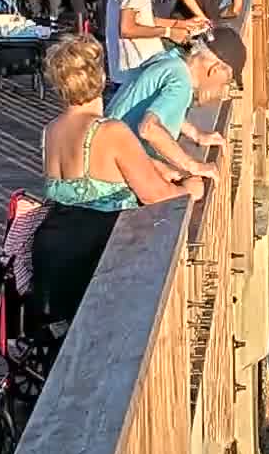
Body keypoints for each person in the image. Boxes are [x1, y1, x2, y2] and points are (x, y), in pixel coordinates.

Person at [32, 37, 204, 321]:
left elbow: (90, 182)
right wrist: (189, 190)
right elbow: (154, 195)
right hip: (97, 258)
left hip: (52, 251)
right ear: (99, 77)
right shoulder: (110, 131)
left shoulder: (51, 131)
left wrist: (155, 166)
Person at [107, 28, 247, 183]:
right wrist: (192, 165)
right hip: (110, 178)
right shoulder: (182, 85)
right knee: (192, 189)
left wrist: (196, 134)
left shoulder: (172, 61)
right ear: (214, 70)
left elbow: (162, 109)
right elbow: (149, 128)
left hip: (101, 155)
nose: (223, 88)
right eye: (226, 82)